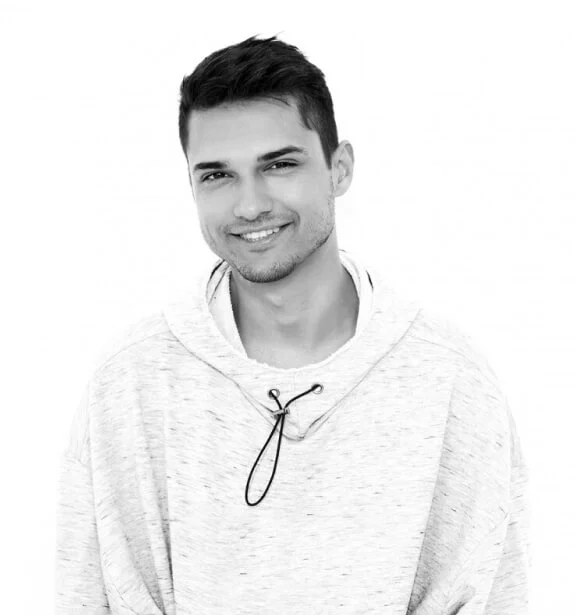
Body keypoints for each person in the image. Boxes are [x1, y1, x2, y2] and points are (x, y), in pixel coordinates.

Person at [55, 34, 531, 614]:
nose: (250, 205)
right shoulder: (130, 383)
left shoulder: (450, 380)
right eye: (216, 175)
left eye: (278, 165)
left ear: (340, 168)